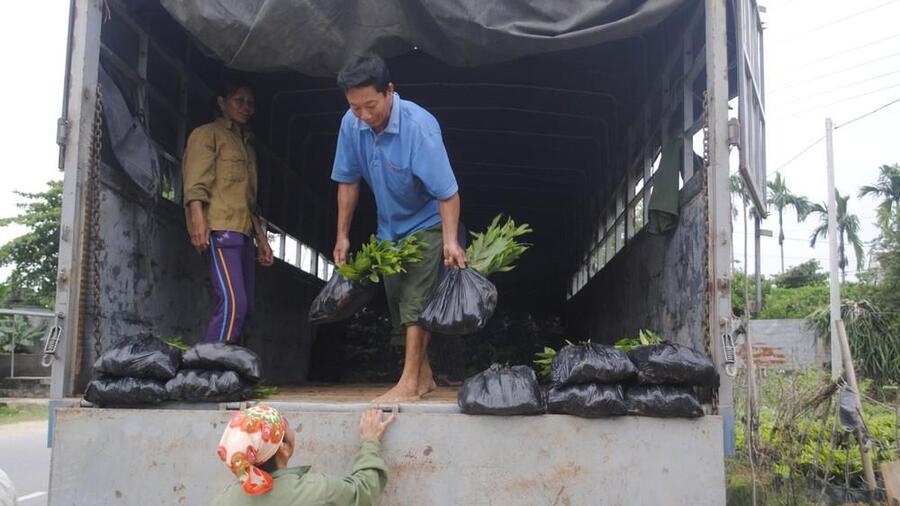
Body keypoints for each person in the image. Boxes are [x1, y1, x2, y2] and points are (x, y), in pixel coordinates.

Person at [330, 55, 467, 403]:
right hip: (389, 230)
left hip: (428, 222)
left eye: (370, 105)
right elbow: (348, 182)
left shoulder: (419, 128)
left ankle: (407, 383)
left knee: (415, 302)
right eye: (355, 107)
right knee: (396, 302)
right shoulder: (352, 124)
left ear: (390, 91)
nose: (363, 115)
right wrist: (342, 234)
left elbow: (448, 192)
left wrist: (451, 242)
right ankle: (424, 378)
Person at [182, 80, 274, 344]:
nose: (246, 107)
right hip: (220, 228)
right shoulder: (207, 134)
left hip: (243, 230)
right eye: (239, 100)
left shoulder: (246, 144)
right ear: (222, 102)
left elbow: (249, 200)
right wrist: (198, 221)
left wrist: (262, 239)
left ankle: (230, 372)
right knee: (234, 302)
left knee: (246, 308)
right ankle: (208, 371)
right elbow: (195, 184)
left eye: (250, 103)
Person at [212, 405, 395, 505]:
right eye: (286, 424)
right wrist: (370, 441)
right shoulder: (319, 490)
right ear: (283, 447)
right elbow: (364, 491)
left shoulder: (223, 500)